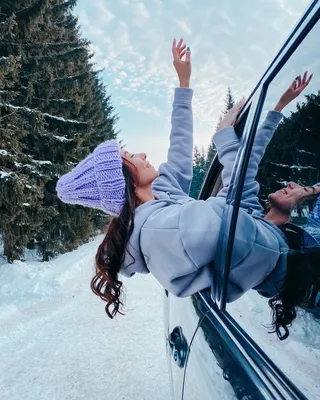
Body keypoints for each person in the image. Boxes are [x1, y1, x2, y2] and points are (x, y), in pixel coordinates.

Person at [56, 39, 318, 338]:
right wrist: (225, 138)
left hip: (288, 257)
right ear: (124, 181)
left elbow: (180, 151)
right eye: (130, 157)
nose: (141, 154)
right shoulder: (162, 230)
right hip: (296, 271)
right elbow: (238, 209)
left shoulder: (162, 200)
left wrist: (183, 83)